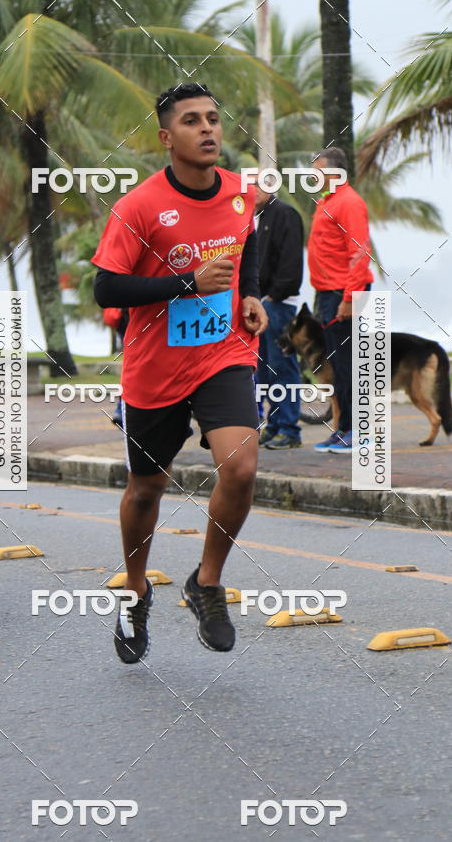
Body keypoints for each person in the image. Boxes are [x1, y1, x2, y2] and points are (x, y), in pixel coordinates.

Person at [92, 82, 267, 663]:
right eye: (192, 121)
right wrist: (187, 283)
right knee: (147, 488)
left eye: (214, 118)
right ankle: (137, 588)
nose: (208, 129)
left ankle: (206, 583)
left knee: (240, 467)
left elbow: (251, 240)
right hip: (155, 366)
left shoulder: (242, 195)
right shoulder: (139, 207)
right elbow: (107, 287)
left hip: (223, 354)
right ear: (167, 138)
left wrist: (253, 294)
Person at [307, 146, 373, 454]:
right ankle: (344, 428)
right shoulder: (326, 202)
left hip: (344, 294)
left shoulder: (349, 203)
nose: (312, 176)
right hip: (327, 294)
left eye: (317, 171)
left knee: (349, 365)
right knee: (338, 363)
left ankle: (357, 433)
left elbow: (359, 252)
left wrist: (349, 299)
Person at [255, 182, 304, 449]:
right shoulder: (260, 217)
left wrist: (275, 295)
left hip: (279, 305)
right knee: (265, 371)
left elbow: (291, 262)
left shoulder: (285, 214)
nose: (251, 192)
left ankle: (289, 429)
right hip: (263, 305)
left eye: (257, 186)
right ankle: (274, 426)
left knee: (283, 368)